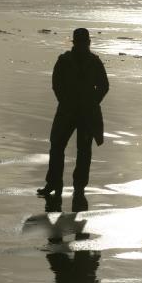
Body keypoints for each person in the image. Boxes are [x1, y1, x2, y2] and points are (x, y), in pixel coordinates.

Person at [37, 27, 109, 198]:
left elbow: (103, 86)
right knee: (61, 147)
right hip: (70, 111)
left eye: (84, 42)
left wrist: (90, 102)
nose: (84, 45)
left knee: (77, 150)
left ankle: (74, 187)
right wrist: (68, 101)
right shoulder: (66, 60)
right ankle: (60, 185)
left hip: (79, 112)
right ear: (81, 42)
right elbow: (57, 84)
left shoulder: (91, 61)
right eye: (82, 42)